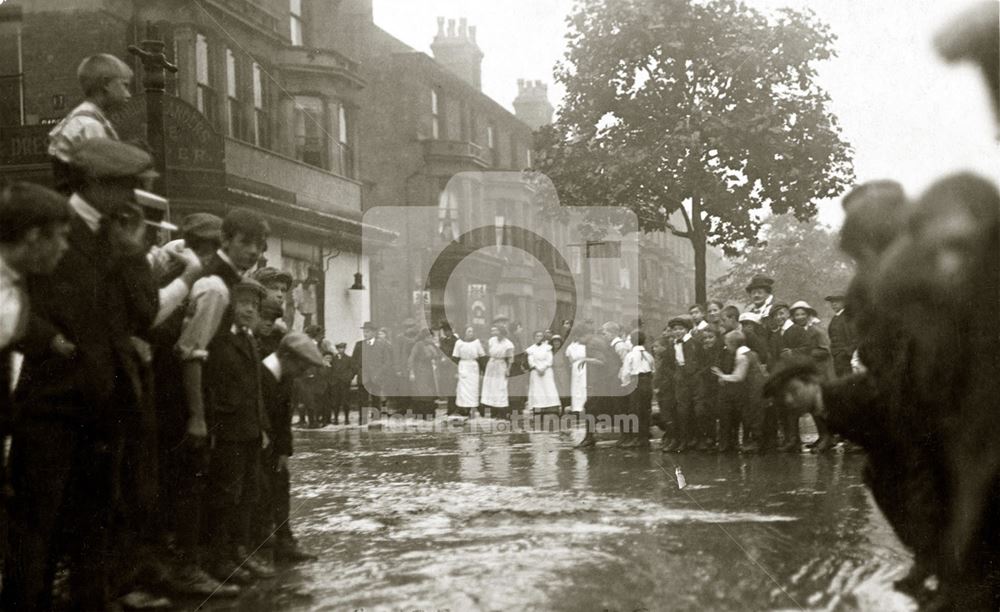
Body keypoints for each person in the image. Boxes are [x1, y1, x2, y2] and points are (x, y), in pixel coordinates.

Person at [3, 139, 160, 610]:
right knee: (36, 526)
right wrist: (48, 339)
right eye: (122, 186)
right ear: (91, 184)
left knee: (97, 517)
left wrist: (132, 254)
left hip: (102, 401)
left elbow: (145, 312)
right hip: (51, 401)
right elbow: (13, 296)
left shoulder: (114, 236)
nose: (131, 197)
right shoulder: (45, 225)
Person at [173, 207, 267, 588]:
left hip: (230, 408)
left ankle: (226, 556)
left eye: (258, 245)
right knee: (208, 489)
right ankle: (201, 562)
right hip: (210, 408)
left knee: (230, 488)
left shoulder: (235, 284)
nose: (253, 251)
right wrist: (197, 415)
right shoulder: (214, 286)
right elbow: (191, 352)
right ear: (225, 240)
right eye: (245, 242)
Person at [201, 278, 275, 583]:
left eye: (255, 306)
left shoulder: (248, 339)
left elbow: (255, 389)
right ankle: (221, 558)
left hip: (249, 430)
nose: (249, 311)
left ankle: (240, 551)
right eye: (244, 303)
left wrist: (263, 426)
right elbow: (211, 387)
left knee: (247, 493)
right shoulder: (219, 340)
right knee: (226, 494)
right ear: (230, 304)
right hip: (227, 430)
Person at [257, 332, 325, 564]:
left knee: (280, 487)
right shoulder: (261, 374)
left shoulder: (284, 377)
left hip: (274, 446)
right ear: (288, 358)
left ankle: (284, 541)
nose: (305, 372)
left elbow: (284, 417)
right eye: (303, 366)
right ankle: (259, 544)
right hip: (255, 443)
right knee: (258, 493)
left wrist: (284, 450)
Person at [47, 54, 133, 194]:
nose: (128, 94)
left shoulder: (83, 118)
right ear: (106, 84)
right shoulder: (89, 125)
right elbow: (103, 176)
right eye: (124, 85)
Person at [713, 330, 766, 453]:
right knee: (755, 415)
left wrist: (722, 375)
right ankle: (756, 443)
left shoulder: (741, 356)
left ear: (733, 344)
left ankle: (757, 444)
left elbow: (738, 376)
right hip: (758, 388)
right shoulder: (751, 353)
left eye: (727, 344)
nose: (726, 347)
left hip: (753, 390)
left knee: (754, 415)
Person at [575, 322, 623, 448]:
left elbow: (602, 361)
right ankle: (591, 436)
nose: (578, 342)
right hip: (608, 381)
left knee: (591, 408)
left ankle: (589, 437)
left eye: (578, 338)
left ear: (585, 335)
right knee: (608, 409)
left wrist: (585, 360)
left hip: (604, 382)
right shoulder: (598, 340)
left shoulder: (592, 344)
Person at [665, 316, 703, 453]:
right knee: (683, 410)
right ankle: (684, 440)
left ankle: (698, 439)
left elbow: (702, 361)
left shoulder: (694, 343)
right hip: (680, 380)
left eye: (681, 329)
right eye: (675, 329)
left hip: (695, 379)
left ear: (687, 330)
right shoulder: (671, 346)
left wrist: (696, 374)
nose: (678, 332)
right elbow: (667, 365)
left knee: (697, 409)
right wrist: (674, 375)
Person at [620, 330, 655, 449]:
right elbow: (653, 370)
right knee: (646, 410)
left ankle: (636, 438)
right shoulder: (649, 355)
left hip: (635, 382)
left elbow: (626, 372)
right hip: (647, 382)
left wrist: (625, 384)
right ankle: (644, 437)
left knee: (635, 410)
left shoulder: (630, 355)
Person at [480, 325, 513, 419]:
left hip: (500, 365)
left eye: (498, 331)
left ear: (502, 332)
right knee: (491, 388)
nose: (496, 333)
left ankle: (501, 413)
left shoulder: (508, 344)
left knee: (500, 388)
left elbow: (510, 358)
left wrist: (508, 369)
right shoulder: (492, 340)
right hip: (491, 365)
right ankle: (492, 412)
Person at [526, 330, 561, 417]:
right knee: (537, 390)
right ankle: (537, 408)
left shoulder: (548, 348)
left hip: (546, 371)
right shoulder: (531, 349)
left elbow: (550, 360)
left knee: (549, 388)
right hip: (536, 371)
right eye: (537, 336)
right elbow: (531, 361)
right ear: (534, 338)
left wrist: (544, 368)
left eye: (541, 336)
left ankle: (551, 408)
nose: (539, 338)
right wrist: (537, 368)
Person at [454, 326, 486, 418]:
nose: (470, 333)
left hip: (473, 367)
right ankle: (464, 410)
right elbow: (455, 358)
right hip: (463, 366)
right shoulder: (459, 343)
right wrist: (456, 371)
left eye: (472, 331)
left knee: (474, 389)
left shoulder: (476, 343)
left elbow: (482, 357)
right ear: (464, 332)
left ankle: (476, 409)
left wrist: (481, 370)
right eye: (468, 331)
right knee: (463, 390)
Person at [407, 329, 439, 417]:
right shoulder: (418, 345)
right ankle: (421, 414)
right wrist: (411, 372)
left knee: (429, 392)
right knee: (422, 392)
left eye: (431, 336)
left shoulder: (431, 345)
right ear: (424, 337)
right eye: (428, 337)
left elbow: (436, 356)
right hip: (420, 371)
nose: (430, 338)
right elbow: (411, 358)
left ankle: (429, 413)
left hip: (428, 371)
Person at [825, 294, 856, 378]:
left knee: (849, 380)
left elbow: (855, 337)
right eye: (832, 302)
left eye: (837, 301)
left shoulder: (847, 317)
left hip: (846, 357)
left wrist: (847, 352)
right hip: (837, 356)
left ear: (844, 302)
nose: (833, 304)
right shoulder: (835, 318)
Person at [328, 342, 355, 425]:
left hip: (344, 383)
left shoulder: (349, 359)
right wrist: (331, 380)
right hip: (335, 383)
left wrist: (348, 378)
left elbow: (353, 370)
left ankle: (346, 419)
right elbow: (330, 370)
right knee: (336, 402)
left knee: (345, 401)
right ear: (337, 349)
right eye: (339, 348)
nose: (341, 350)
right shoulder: (333, 359)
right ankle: (336, 418)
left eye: (343, 348)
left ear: (345, 349)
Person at [437, 323, 460, 415]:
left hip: (453, 368)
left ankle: (454, 409)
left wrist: (456, 369)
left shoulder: (457, 341)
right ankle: (449, 409)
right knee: (448, 388)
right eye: (445, 331)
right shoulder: (443, 341)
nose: (446, 333)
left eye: (448, 331)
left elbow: (457, 356)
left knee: (454, 389)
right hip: (444, 369)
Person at [565, 324, 589, 414]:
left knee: (583, 385)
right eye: (574, 335)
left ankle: (584, 406)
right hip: (575, 367)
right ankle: (576, 407)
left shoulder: (585, 346)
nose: (576, 337)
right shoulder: (570, 347)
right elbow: (570, 360)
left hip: (584, 366)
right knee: (576, 386)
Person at [550, 335, 572, 410]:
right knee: (556, 390)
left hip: (563, 372)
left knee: (564, 390)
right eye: (554, 341)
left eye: (558, 341)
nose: (556, 343)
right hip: (554, 373)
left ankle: (564, 407)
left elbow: (567, 362)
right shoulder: (550, 352)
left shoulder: (563, 351)